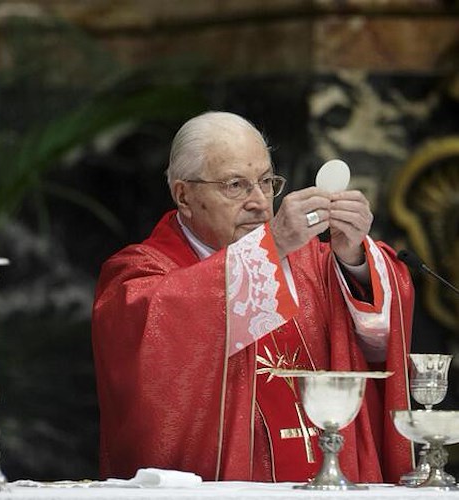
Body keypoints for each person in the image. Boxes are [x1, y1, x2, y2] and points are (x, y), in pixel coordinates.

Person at [92, 111, 414, 484]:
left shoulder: (313, 262)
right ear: (184, 195)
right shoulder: (137, 273)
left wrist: (353, 257)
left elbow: (381, 338)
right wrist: (272, 245)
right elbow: (153, 336)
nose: (260, 202)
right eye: (235, 185)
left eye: (266, 182)